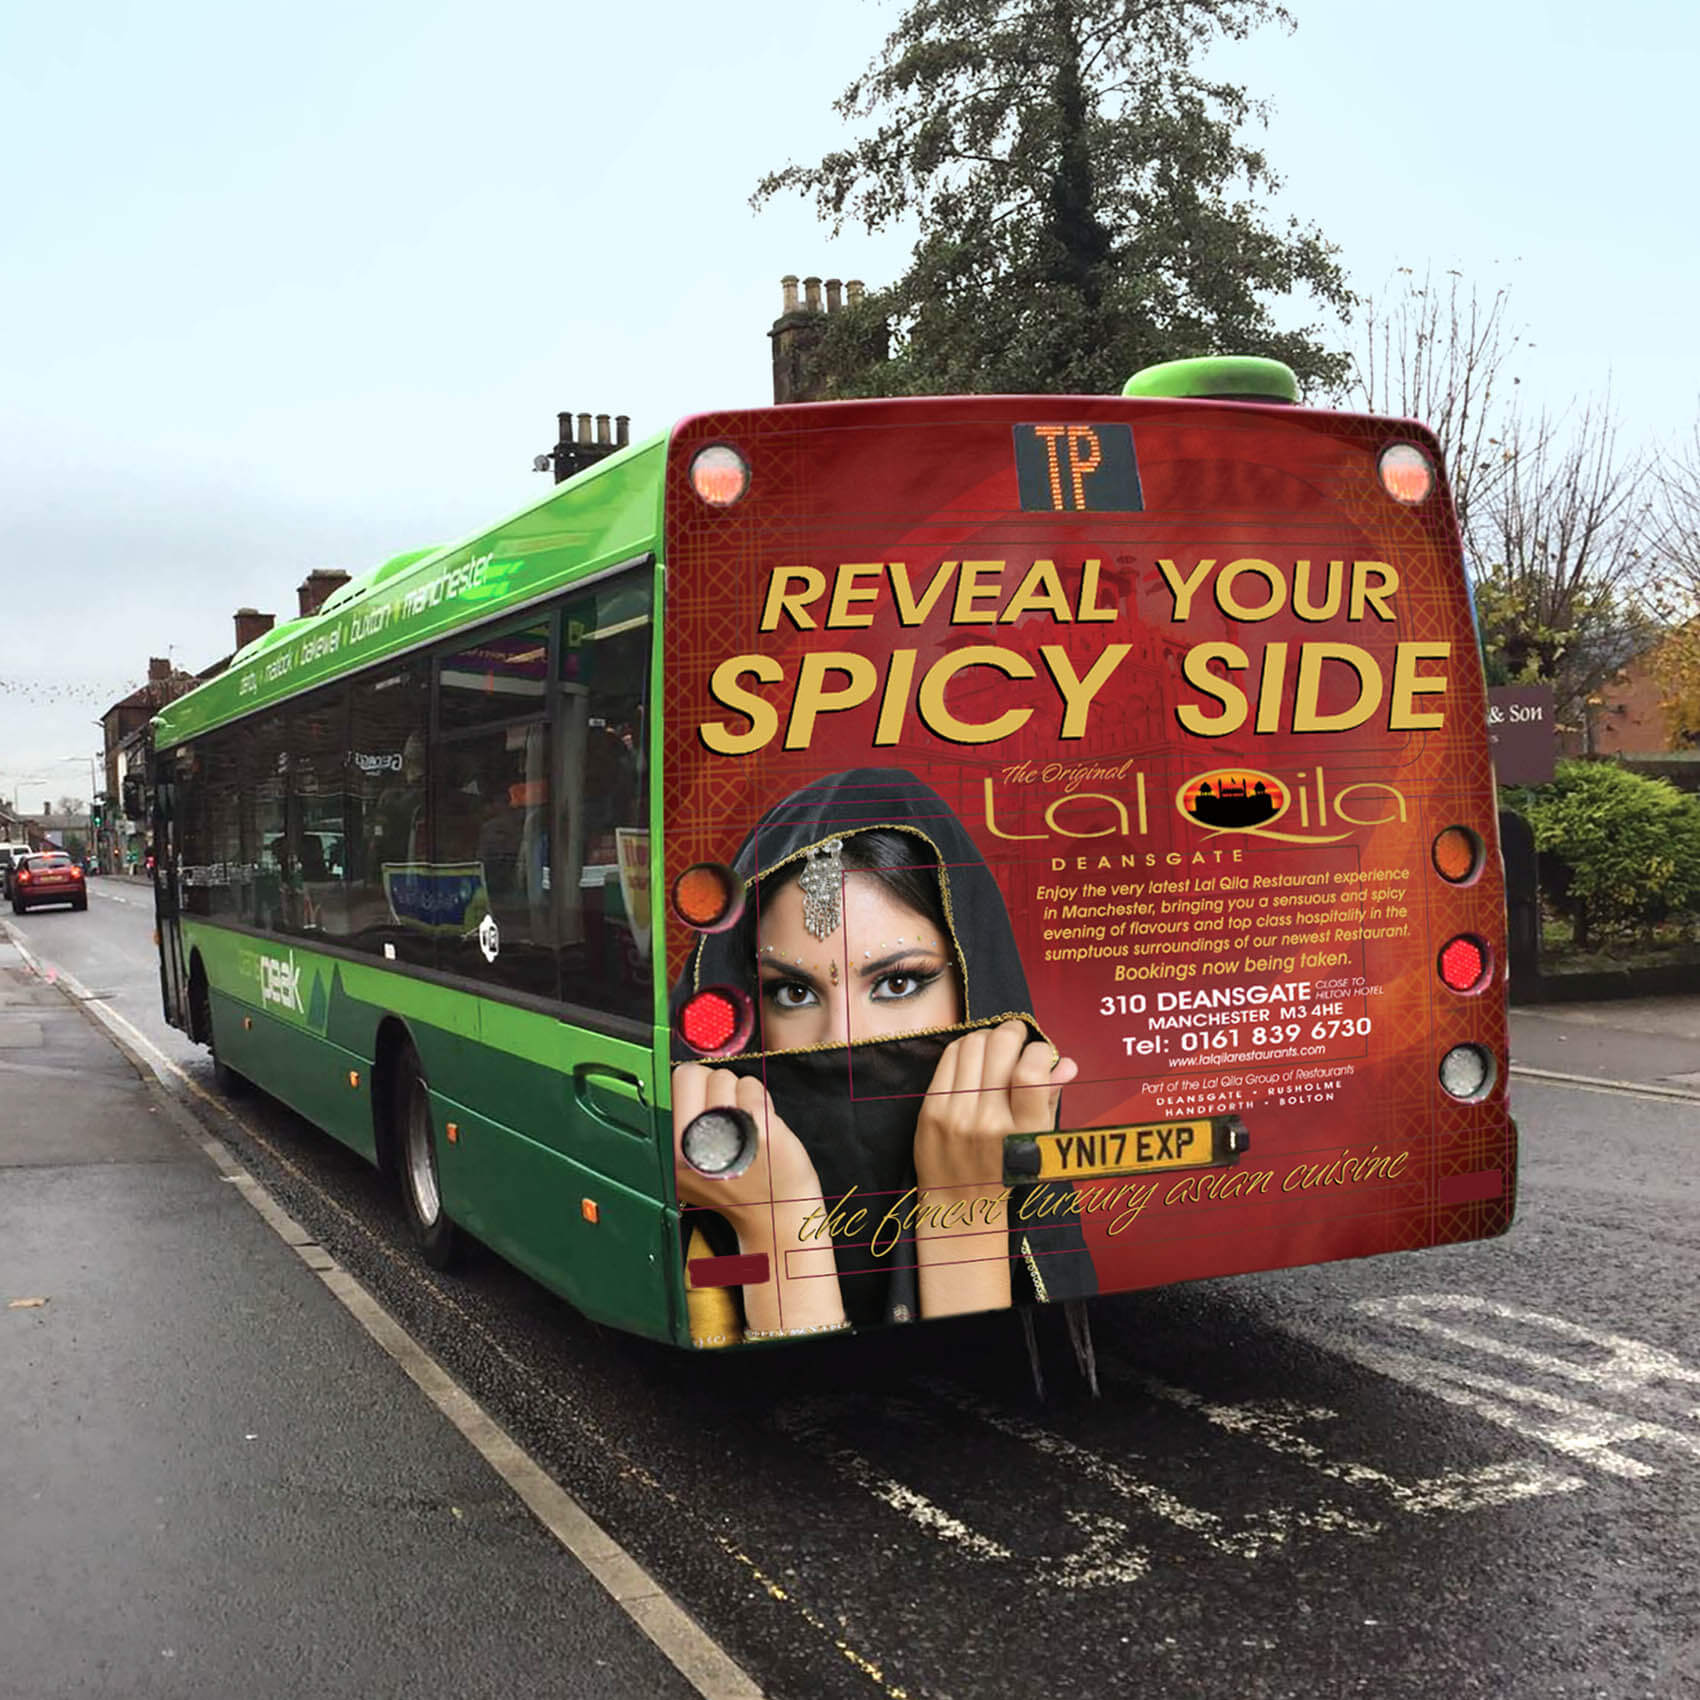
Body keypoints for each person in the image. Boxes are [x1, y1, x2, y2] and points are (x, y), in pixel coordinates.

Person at [672, 768, 1096, 1345]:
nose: (843, 1036)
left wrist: (964, 1213)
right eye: (793, 992)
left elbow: (1006, 1394)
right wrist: (776, 1220)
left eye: (898, 984)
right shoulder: (704, 1197)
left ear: (974, 986)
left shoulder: (1025, 1179)